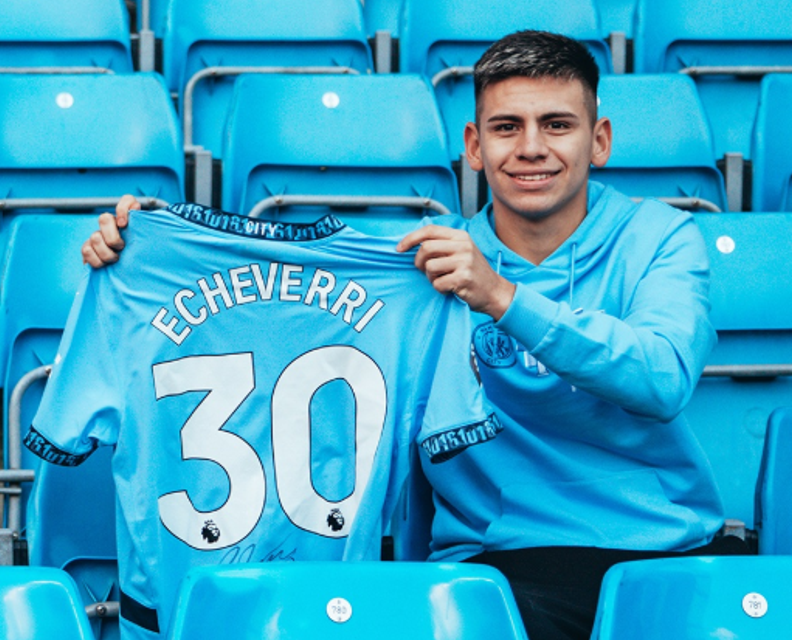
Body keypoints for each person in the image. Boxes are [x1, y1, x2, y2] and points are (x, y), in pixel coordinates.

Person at [82, 30, 746, 640]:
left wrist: (503, 298)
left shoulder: (660, 238)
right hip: (500, 564)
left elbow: (661, 378)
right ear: (474, 146)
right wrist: (146, 247)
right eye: (507, 127)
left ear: (598, 140)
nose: (532, 147)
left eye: (557, 125)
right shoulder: (426, 267)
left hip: (665, 547)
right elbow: (278, 300)